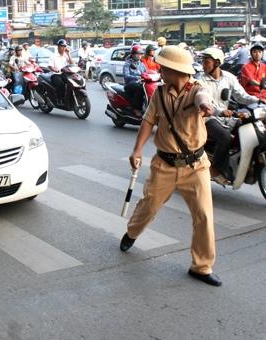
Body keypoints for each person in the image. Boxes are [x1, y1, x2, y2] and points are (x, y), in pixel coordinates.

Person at [120, 45, 222, 287]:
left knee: (204, 216)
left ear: (175, 70)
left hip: (195, 165)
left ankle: (201, 267)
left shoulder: (198, 89)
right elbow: (148, 121)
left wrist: (205, 106)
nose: (160, 71)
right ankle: (132, 232)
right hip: (164, 165)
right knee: (149, 207)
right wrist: (137, 150)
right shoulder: (159, 93)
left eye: (163, 67)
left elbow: (202, 98)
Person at [200, 47, 264, 184]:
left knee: (248, 125)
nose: (203, 65)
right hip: (208, 118)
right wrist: (220, 111)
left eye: (207, 62)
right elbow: (206, 101)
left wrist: (258, 100)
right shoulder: (201, 81)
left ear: (217, 63)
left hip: (227, 118)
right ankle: (215, 169)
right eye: (203, 61)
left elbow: (241, 96)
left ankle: (240, 162)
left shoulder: (229, 77)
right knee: (225, 137)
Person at [123, 45, 147, 115]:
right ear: (133, 54)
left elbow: (146, 73)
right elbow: (126, 76)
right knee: (140, 88)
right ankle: (137, 108)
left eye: (141, 54)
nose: (139, 56)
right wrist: (137, 77)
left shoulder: (142, 64)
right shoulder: (128, 64)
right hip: (129, 85)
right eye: (137, 54)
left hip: (140, 83)